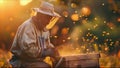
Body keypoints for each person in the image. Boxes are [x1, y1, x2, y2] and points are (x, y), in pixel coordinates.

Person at [10, 1, 61, 68]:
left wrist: (53, 50)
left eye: (50, 18)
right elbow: (28, 49)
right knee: (45, 67)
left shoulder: (44, 30)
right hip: (22, 62)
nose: (48, 21)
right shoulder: (28, 26)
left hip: (34, 62)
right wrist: (46, 52)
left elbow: (47, 45)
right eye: (47, 18)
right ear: (39, 15)